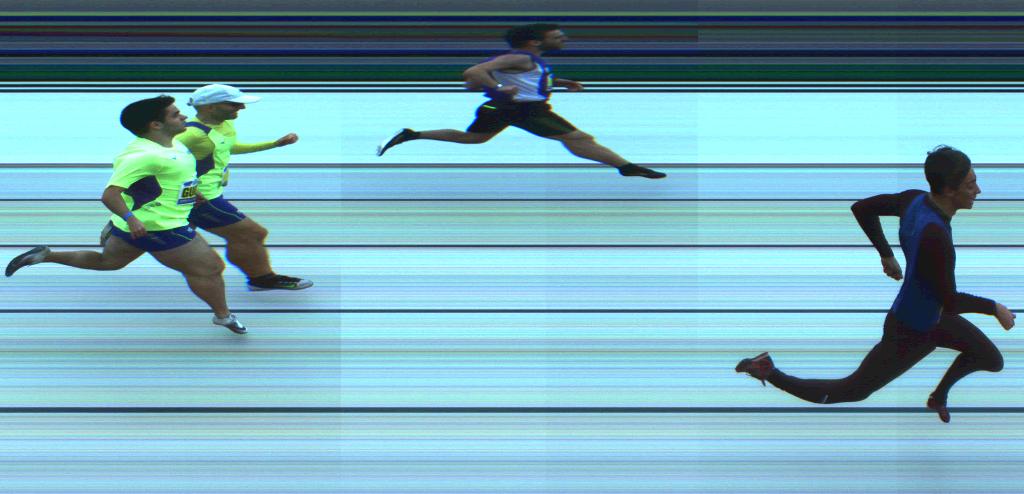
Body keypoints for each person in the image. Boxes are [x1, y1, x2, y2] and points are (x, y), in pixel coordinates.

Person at [736, 146, 1015, 423]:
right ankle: (768, 370)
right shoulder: (935, 237)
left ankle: (938, 397)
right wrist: (994, 308)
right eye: (970, 185)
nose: (978, 190)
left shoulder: (914, 200)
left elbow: (863, 208)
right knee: (852, 390)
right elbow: (950, 301)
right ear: (949, 190)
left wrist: (886, 254)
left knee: (990, 358)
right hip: (911, 329)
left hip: (934, 316)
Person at [5, 95, 247, 334]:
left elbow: (169, 178)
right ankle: (223, 316)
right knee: (210, 268)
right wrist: (132, 220)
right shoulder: (142, 156)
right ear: (156, 125)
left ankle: (44, 255)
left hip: (138, 225)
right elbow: (110, 195)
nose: (184, 116)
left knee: (109, 262)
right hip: (159, 227)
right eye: (175, 114)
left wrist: (192, 192)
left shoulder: (174, 144)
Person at [376, 23, 667, 179]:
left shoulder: (530, 60)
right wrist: (498, 89)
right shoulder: (520, 57)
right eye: (558, 36)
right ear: (535, 41)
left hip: (503, 108)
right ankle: (626, 167)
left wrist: (562, 82)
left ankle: (411, 134)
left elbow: (524, 79)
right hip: (523, 110)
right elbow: (473, 72)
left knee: (474, 138)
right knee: (579, 138)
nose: (563, 39)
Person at [176, 84, 312, 291]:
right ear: (210, 107)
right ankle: (261, 279)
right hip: (197, 198)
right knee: (251, 234)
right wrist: (190, 191)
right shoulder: (190, 133)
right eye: (233, 104)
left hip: (211, 193)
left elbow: (228, 148)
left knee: (138, 246)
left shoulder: (224, 125)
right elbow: (158, 162)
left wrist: (274, 144)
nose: (241, 107)